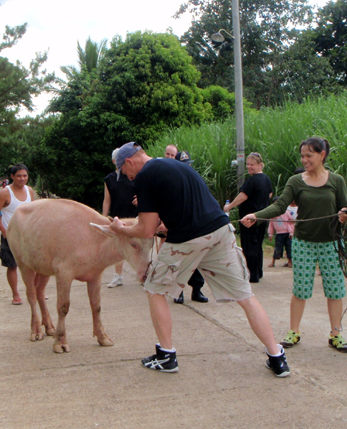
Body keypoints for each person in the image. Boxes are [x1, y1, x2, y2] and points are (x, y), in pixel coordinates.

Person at [109, 142, 290, 377]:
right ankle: (277, 357)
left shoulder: (145, 176)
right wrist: (165, 226)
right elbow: (183, 211)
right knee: (245, 296)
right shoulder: (177, 165)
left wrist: (120, 229)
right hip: (220, 231)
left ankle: (166, 356)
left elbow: (145, 229)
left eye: (125, 172)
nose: (128, 178)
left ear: (130, 162)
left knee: (154, 290)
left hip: (188, 239)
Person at [242, 137, 347, 353]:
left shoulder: (337, 180)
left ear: (322, 155)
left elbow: (344, 207)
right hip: (303, 243)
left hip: (331, 242)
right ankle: (294, 331)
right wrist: (257, 215)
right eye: (302, 156)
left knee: (335, 289)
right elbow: (280, 205)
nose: (304, 159)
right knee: (300, 289)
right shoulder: (296, 181)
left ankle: (336, 334)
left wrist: (344, 215)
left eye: (309, 155)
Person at [0, 164, 37, 304]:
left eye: (25, 175)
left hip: (28, 234)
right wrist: (4, 231)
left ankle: (34, 291)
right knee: (12, 265)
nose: (22, 179)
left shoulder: (30, 191)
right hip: (10, 235)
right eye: (19, 176)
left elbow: (33, 211)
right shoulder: (5, 193)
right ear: (12, 177)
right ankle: (16, 295)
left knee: (33, 264)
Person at [224, 153, 273, 283]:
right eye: (247, 164)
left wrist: (229, 207)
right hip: (262, 217)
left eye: (252, 164)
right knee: (257, 245)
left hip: (249, 218)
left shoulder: (252, 180)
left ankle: (253, 275)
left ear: (259, 165)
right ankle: (258, 271)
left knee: (249, 246)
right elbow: (270, 194)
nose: (249, 167)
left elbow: (243, 196)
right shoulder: (266, 179)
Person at [172, 150, 208, 304]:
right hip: (179, 227)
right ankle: (177, 291)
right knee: (179, 261)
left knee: (197, 262)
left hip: (196, 227)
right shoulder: (172, 182)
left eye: (188, 165)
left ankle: (196, 290)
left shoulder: (196, 180)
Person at [103, 148, 138, 288]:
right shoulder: (109, 179)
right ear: (113, 161)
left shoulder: (133, 174)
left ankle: (145, 274)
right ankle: (118, 276)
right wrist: (103, 217)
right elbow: (107, 200)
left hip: (135, 215)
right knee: (119, 246)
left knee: (139, 245)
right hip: (118, 215)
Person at [268, 199, 294, 268]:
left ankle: (290, 262)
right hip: (279, 234)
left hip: (287, 233)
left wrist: (291, 232)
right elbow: (271, 225)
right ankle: (273, 262)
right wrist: (270, 234)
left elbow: (290, 222)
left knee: (289, 247)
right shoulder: (273, 214)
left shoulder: (286, 212)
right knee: (277, 248)